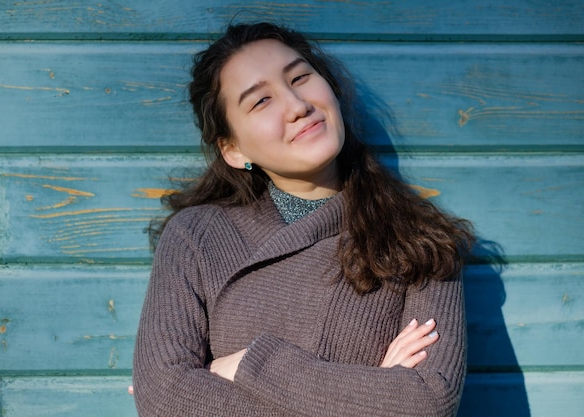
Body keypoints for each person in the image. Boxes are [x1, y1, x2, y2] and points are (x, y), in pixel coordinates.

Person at [132, 22, 475, 417]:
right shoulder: (196, 238)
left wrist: (245, 365)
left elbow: (427, 403)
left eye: (300, 77)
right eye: (260, 101)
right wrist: (368, 398)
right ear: (232, 149)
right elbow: (163, 399)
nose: (297, 105)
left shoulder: (418, 242)